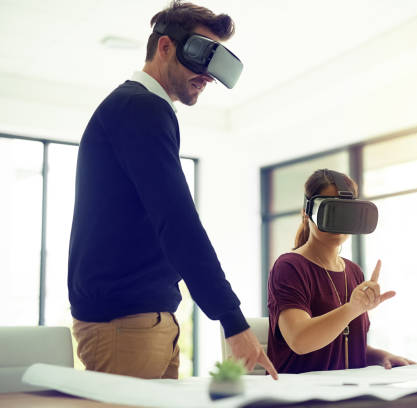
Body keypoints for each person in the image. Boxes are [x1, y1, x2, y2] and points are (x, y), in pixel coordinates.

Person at [67, 1, 277, 380]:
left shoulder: (139, 109)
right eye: (200, 57)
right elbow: (177, 222)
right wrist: (232, 319)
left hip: (145, 320)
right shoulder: (140, 108)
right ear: (164, 47)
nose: (208, 76)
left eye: (214, 65)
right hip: (125, 324)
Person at [267, 169, 416, 373]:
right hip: (296, 397)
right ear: (306, 212)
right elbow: (299, 340)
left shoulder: (354, 271)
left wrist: (382, 357)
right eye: (330, 209)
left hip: (347, 394)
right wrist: (351, 309)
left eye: (345, 211)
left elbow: (345, 344)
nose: (338, 222)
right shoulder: (290, 267)